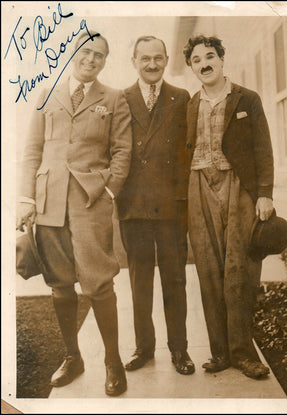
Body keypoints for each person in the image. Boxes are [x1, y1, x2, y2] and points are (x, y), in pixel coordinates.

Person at [16, 31, 132, 396]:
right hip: (49, 203)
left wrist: (108, 192)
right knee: (60, 283)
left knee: (99, 283)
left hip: (89, 204)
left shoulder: (114, 98)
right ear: (71, 53)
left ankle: (112, 363)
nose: (91, 60)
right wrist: (27, 199)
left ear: (104, 61)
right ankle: (72, 356)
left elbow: (122, 153)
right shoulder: (45, 94)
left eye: (99, 55)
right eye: (85, 52)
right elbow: (32, 150)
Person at [183, 35, 274, 379]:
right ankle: (220, 352)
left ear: (221, 59)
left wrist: (264, 192)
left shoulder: (247, 98)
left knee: (241, 267)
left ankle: (243, 353)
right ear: (191, 67)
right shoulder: (191, 104)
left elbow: (263, 148)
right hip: (199, 186)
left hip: (238, 186)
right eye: (196, 60)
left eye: (210, 56)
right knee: (208, 268)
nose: (204, 63)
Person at [116, 36, 195, 375]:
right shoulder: (120, 99)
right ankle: (143, 348)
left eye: (158, 59)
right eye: (145, 58)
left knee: (175, 280)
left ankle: (180, 350)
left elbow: (188, 151)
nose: (151, 65)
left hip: (171, 207)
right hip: (134, 207)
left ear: (166, 60)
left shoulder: (181, 98)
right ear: (133, 60)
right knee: (140, 281)